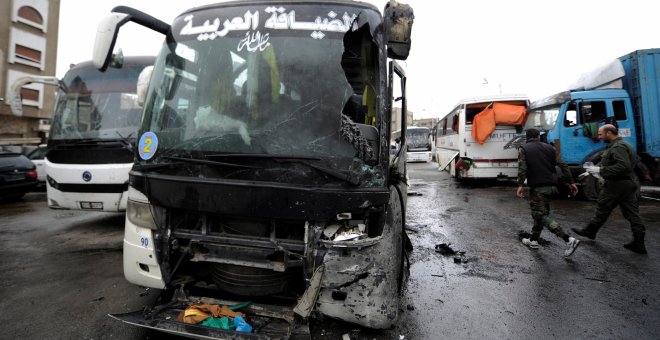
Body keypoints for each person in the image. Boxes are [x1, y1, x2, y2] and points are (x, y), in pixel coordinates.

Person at [572, 124, 647, 254]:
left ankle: (590, 231)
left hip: (617, 184)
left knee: (603, 206)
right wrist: (591, 171)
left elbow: (623, 166)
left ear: (609, 133)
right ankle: (639, 243)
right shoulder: (617, 145)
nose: (599, 137)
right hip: (627, 184)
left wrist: (601, 170)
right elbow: (608, 161)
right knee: (631, 213)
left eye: (601, 134)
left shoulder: (618, 147)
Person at [517, 129, 581, 257]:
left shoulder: (524, 148)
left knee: (541, 215)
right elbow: (563, 165)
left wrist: (520, 184)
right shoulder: (550, 148)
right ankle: (534, 240)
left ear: (527, 138)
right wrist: (571, 182)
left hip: (538, 188)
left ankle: (568, 239)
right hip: (552, 187)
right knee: (540, 213)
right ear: (538, 137)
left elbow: (522, 168)